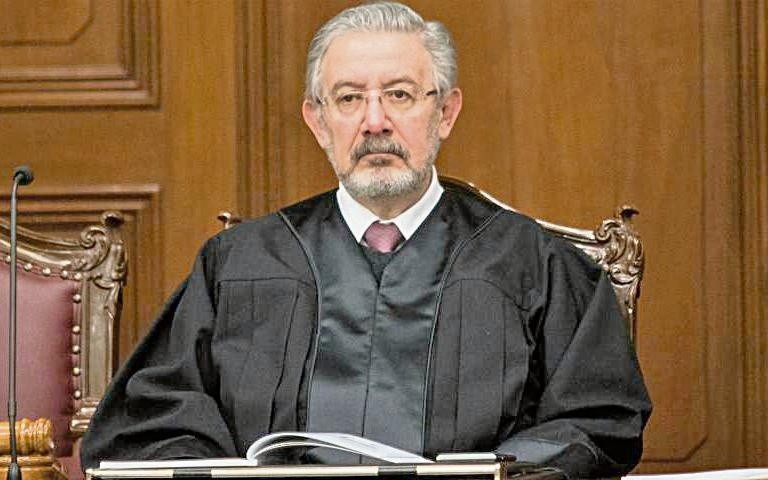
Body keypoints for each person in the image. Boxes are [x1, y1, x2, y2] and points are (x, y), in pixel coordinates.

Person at [80, 2, 652, 479]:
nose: (374, 122)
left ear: (445, 112)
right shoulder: (239, 264)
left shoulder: (533, 264)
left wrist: (493, 474)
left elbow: (595, 420)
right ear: (318, 121)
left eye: (399, 95)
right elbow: (152, 422)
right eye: (349, 98)